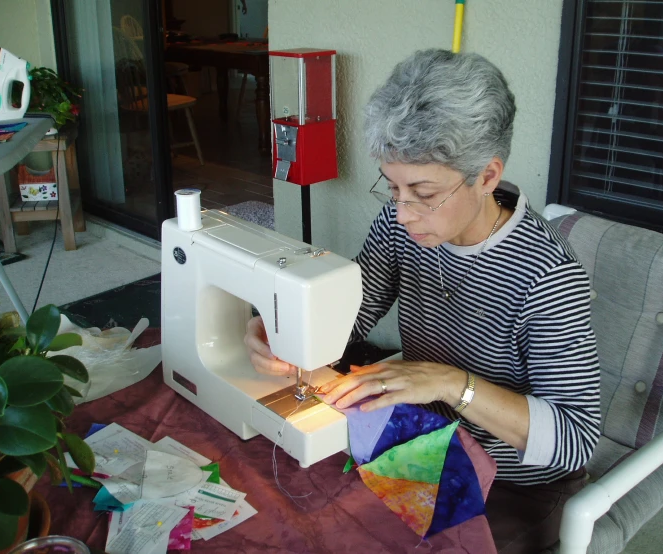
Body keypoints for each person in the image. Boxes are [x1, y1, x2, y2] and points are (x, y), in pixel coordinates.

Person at [245, 49, 601, 553]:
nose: (404, 212)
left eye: (423, 191)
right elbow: (353, 313)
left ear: (487, 176)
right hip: (424, 439)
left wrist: (453, 383)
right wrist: (282, 330)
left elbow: (574, 441)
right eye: (393, 188)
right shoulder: (399, 224)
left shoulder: (547, 276)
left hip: (517, 482)